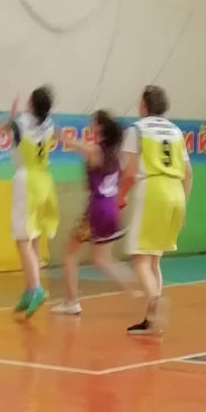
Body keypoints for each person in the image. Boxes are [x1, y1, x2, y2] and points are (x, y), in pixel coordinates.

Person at [120, 85, 191, 335]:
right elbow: (188, 174)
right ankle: (151, 321)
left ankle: (155, 308)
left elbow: (129, 172)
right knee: (154, 259)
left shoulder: (137, 129)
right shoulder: (175, 131)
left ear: (144, 104)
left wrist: (120, 195)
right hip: (176, 193)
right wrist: (183, 207)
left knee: (140, 259)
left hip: (153, 191)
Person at [54, 111, 135, 315]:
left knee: (70, 253)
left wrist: (48, 123)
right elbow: (127, 175)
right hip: (112, 207)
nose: (89, 124)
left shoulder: (94, 151)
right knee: (101, 259)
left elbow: (65, 141)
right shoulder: (118, 155)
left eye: (93, 122)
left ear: (100, 127)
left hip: (97, 209)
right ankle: (138, 288)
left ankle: (72, 302)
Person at [0, 83, 58, 317]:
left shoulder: (20, 122)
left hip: (26, 181)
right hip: (45, 181)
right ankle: (30, 288)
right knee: (34, 237)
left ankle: (36, 288)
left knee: (22, 239)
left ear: (31, 103)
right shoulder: (49, 123)